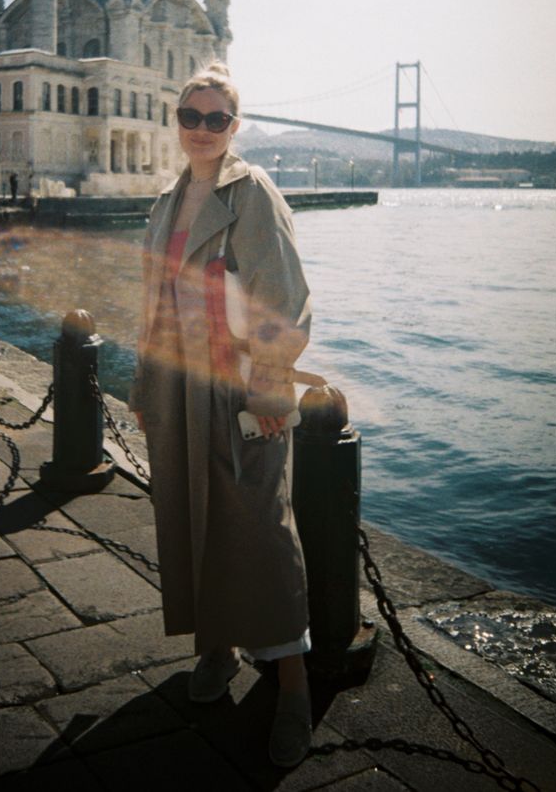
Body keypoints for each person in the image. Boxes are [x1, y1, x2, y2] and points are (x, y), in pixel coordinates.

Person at [128, 62, 317, 768]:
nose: (201, 129)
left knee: (261, 526)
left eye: (216, 118)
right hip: (178, 384)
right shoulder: (166, 200)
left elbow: (285, 298)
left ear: (233, 127)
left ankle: (292, 683)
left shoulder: (252, 192)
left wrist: (271, 390)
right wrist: (145, 388)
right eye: (191, 115)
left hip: (238, 386)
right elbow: (152, 306)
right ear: (176, 122)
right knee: (191, 516)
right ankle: (215, 648)